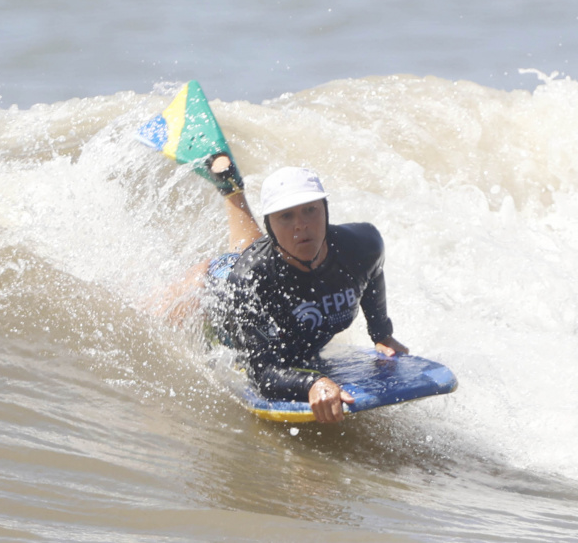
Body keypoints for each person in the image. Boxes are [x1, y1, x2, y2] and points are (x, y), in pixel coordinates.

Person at [168, 153, 409, 424]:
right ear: (270, 226)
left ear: (325, 210)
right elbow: (262, 373)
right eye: (286, 216)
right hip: (218, 287)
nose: (301, 225)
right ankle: (229, 188)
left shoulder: (362, 247)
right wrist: (311, 384)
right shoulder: (248, 281)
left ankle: (230, 186)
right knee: (165, 310)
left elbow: (373, 272)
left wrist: (381, 333)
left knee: (248, 248)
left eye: (310, 210)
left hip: (258, 262)